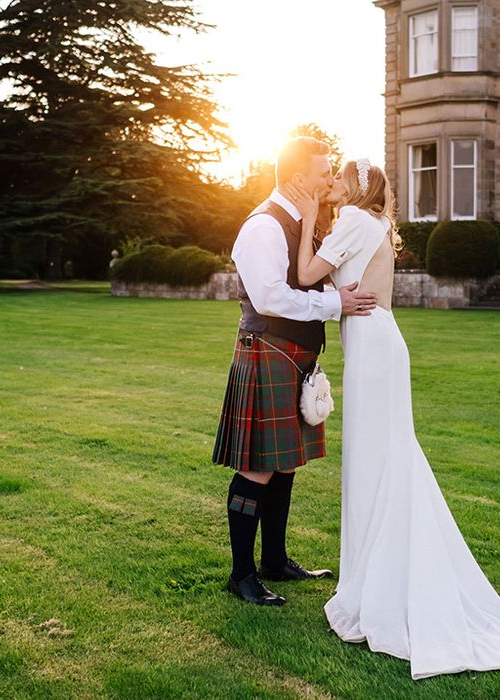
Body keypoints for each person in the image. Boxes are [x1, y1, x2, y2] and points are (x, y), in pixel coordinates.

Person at [286, 158, 500, 679]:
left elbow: (304, 276)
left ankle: (377, 588)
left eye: (339, 178)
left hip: (374, 349)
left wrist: (308, 215)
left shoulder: (356, 222)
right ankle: (373, 577)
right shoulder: (371, 223)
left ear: (358, 189)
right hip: (376, 342)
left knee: (376, 463)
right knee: (381, 461)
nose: (332, 183)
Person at [212, 138, 378, 606]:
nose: (330, 180)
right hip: (268, 348)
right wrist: (334, 304)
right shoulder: (263, 226)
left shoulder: (303, 223)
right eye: (324, 172)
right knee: (257, 467)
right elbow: (269, 298)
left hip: (293, 353)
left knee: (283, 464)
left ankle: (274, 562)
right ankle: (241, 575)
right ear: (297, 178)